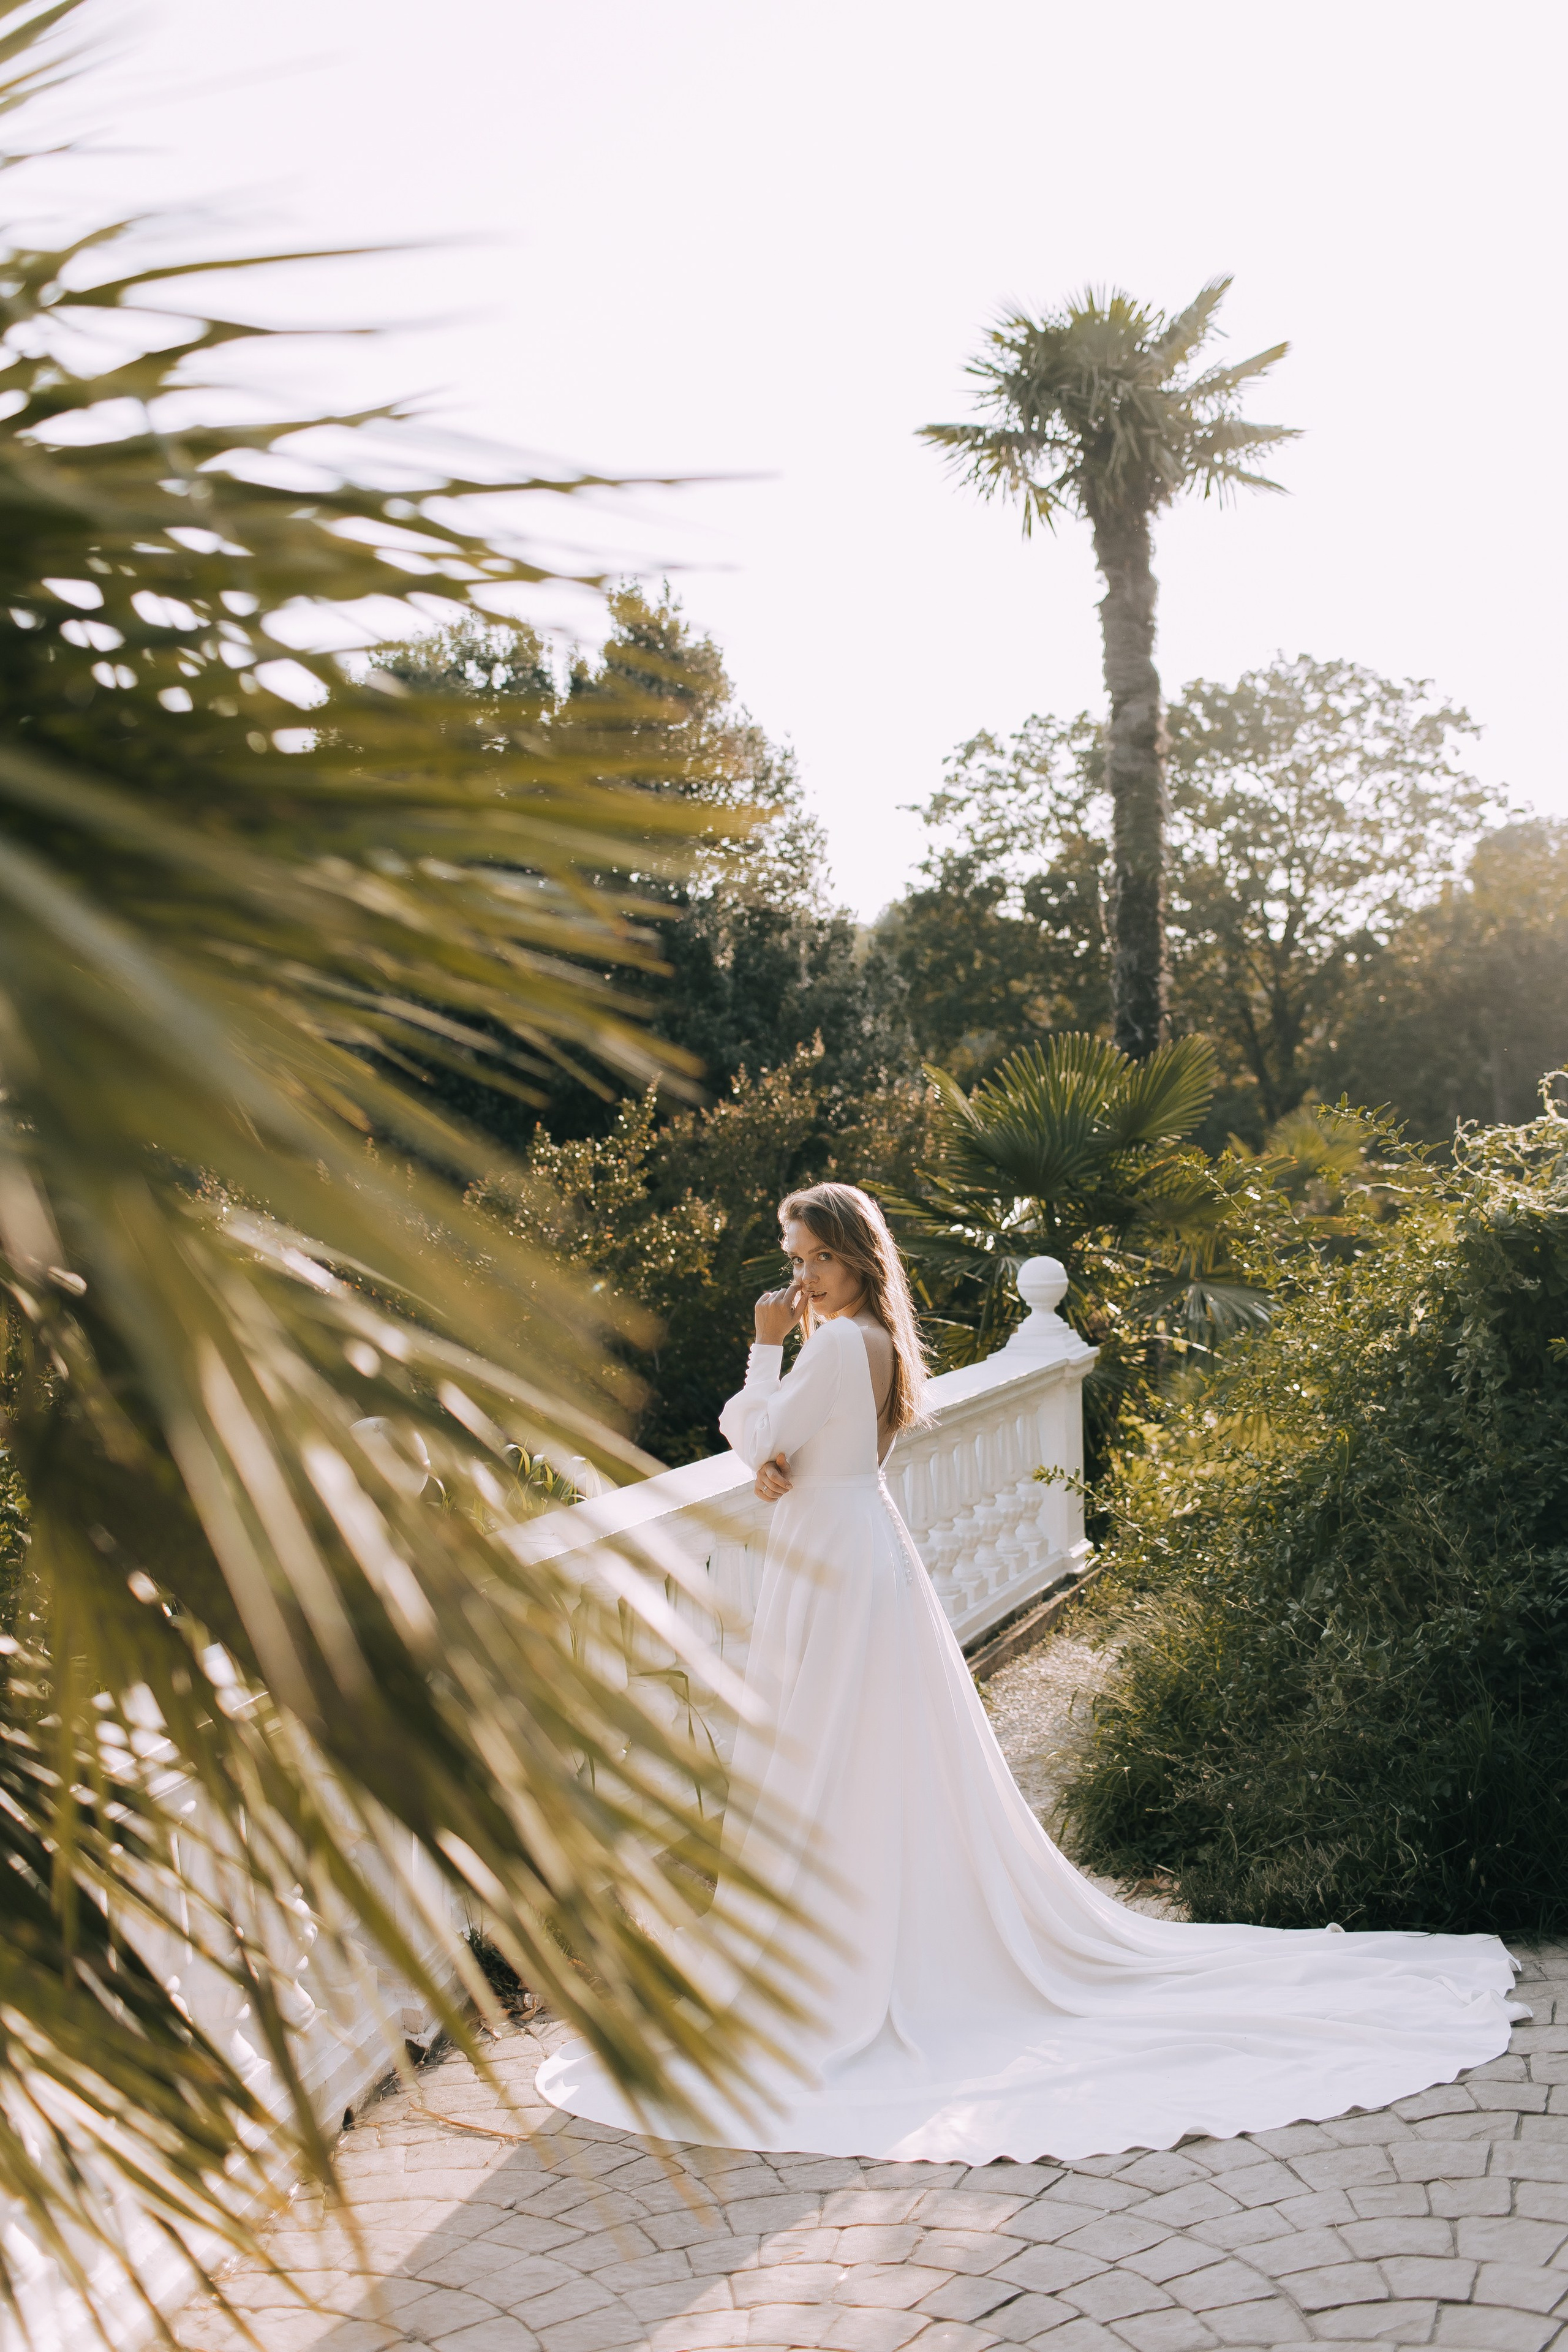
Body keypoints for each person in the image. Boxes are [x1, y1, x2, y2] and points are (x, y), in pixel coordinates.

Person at [537, 1182, 1523, 2163]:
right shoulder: (867, 1340)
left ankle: (839, 1958)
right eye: (792, 1264)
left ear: (856, 1257)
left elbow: (753, 1432)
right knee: (857, 1751)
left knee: (828, 1748)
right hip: (849, 1547)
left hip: (836, 1563)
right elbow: (796, 1447)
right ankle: (856, 1934)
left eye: (814, 1261)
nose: (800, 1281)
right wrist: (779, 1453)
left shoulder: (837, 1342)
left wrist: (761, 1350)